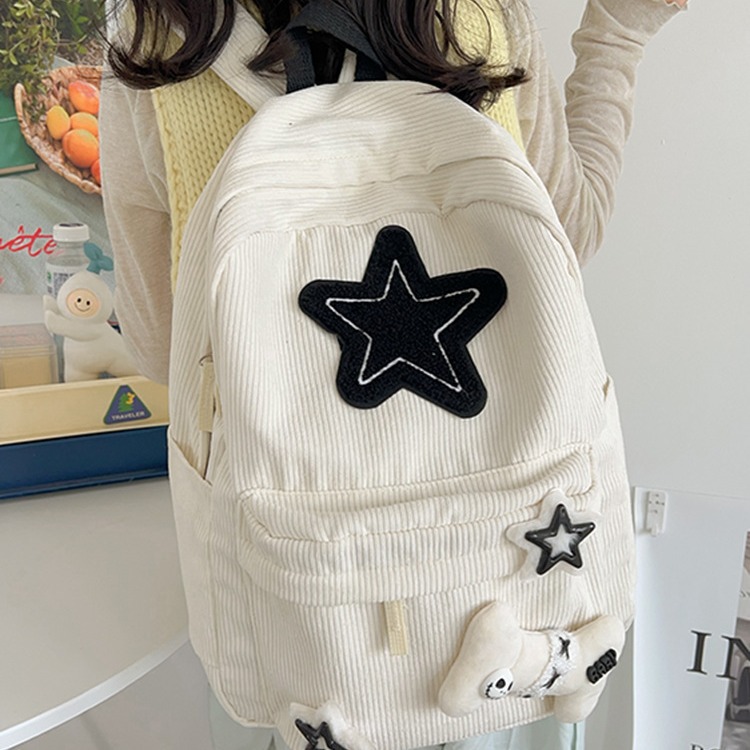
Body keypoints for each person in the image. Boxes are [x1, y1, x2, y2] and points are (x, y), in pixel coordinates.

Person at [99, 1, 686, 748]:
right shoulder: (477, 18)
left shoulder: (156, 41)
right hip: (520, 564)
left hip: (307, 601)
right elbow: (566, 238)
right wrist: (618, 33)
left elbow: (162, 348)